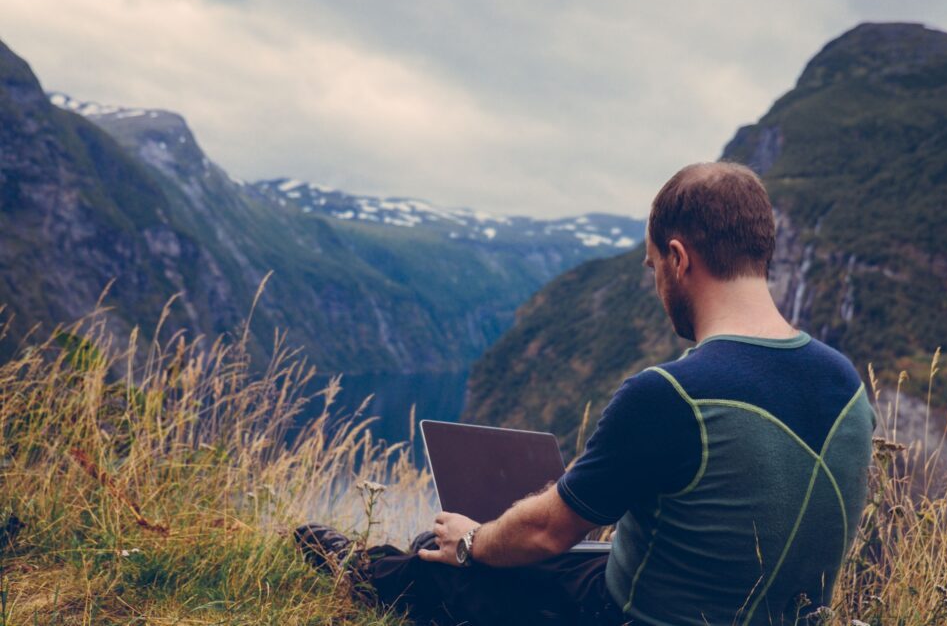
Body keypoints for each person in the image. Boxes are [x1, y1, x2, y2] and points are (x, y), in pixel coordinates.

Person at [296, 162, 876, 625]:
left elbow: (548, 529)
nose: (657, 283)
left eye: (653, 267)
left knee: (452, 555)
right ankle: (383, 563)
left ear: (678, 258)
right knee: (506, 552)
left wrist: (473, 540)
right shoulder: (846, 384)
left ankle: (357, 569)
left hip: (631, 614)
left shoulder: (672, 393)